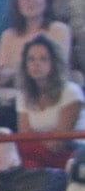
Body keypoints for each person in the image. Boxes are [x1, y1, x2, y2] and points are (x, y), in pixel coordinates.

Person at [0, 0, 72, 96]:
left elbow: (57, 69)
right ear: (17, 3)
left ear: (46, 1)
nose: (30, 0)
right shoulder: (7, 35)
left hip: (49, 92)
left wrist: (13, 73)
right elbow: (1, 72)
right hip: (14, 93)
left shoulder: (59, 30)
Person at [14, 34, 84, 170]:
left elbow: (58, 143)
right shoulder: (23, 94)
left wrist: (35, 137)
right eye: (31, 59)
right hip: (36, 153)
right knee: (19, 149)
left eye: (43, 59)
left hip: (73, 152)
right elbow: (24, 136)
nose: (36, 63)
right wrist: (44, 138)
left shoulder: (70, 91)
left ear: (54, 63)